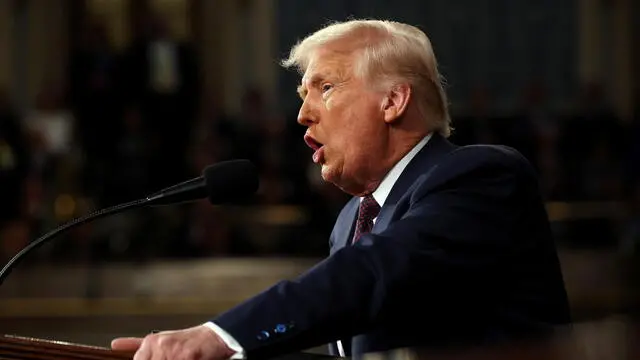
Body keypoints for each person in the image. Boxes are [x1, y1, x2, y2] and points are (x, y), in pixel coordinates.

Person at [111, 19, 571, 359]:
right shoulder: (351, 219)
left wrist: (220, 337)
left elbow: (374, 273)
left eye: (325, 87)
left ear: (393, 100)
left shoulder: (482, 176)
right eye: (302, 96)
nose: (303, 115)